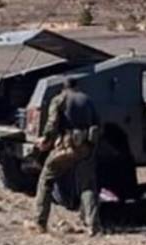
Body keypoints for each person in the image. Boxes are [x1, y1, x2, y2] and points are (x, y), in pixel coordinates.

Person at [33, 76, 102, 235]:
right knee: (88, 186)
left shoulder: (59, 99)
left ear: (63, 87)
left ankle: (40, 222)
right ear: (76, 86)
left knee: (46, 179)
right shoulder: (87, 100)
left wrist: (46, 139)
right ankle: (93, 226)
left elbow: (52, 123)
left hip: (65, 147)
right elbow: (97, 123)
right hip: (85, 148)